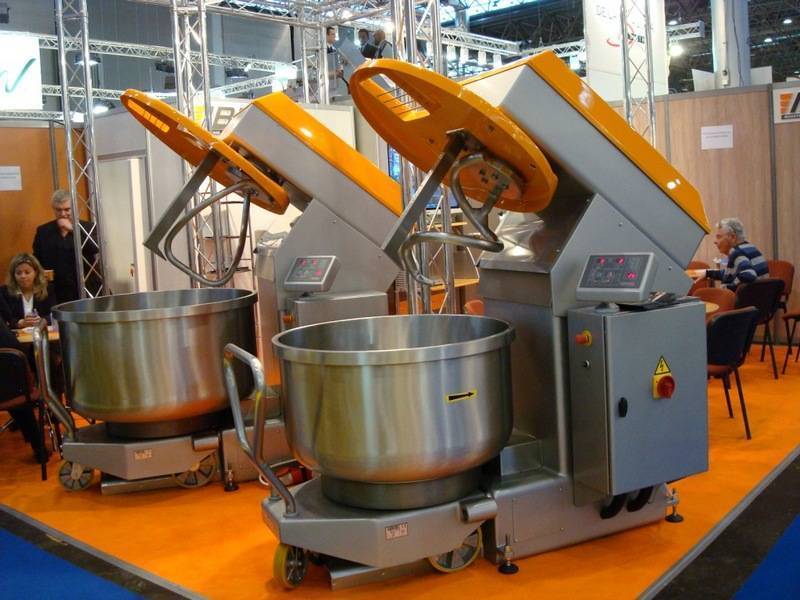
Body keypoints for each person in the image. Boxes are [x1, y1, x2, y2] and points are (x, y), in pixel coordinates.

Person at [33, 189, 100, 303]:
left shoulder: (88, 227)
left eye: (67, 209)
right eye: (58, 210)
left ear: (74, 208)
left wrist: (73, 229)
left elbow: (95, 248)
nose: (63, 214)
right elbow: (37, 258)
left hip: (85, 285)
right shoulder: (43, 231)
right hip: (55, 289)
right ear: (53, 209)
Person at [0, 318, 46, 463]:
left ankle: (36, 443)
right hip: (16, 389)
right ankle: (39, 446)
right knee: (21, 384)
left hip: (9, 387)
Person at [705, 218, 769, 291]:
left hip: (748, 297)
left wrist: (727, 288)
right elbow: (732, 274)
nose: (715, 241)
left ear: (733, 237)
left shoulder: (737, 253)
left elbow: (748, 275)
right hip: (762, 296)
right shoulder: (751, 248)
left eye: (719, 237)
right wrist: (708, 273)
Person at [0, 254, 57, 330]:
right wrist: (21, 323)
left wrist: (42, 321)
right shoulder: (4, 292)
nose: (23, 276)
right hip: (17, 335)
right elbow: (5, 319)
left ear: (35, 272)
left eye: (27, 272)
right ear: (13, 275)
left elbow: (54, 314)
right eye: (18, 273)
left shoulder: (47, 289)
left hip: (42, 332)